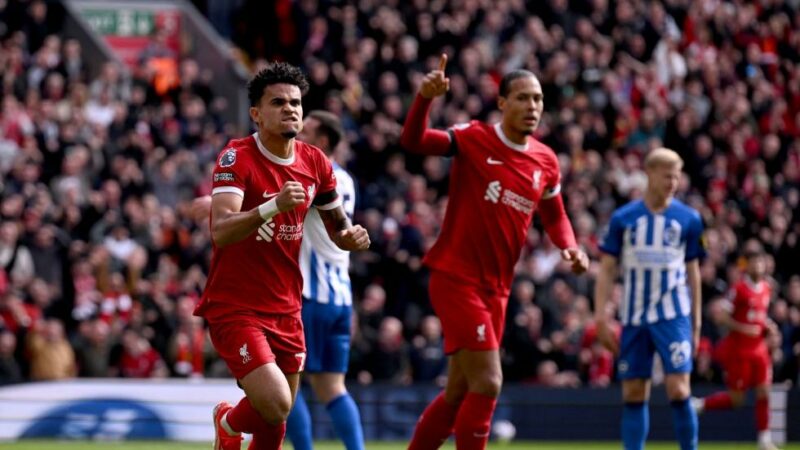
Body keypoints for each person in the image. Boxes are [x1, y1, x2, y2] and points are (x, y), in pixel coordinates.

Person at [399, 54, 589, 449]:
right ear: (502, 103)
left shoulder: (546, 161)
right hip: (455, 277)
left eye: (537, 99)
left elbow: (556, 218)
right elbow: (414, 140)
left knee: (458, 391)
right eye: (522, 98)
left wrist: (570, 248)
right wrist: (424, 99)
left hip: (497, 290)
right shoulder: (474, 138)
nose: (532, 107)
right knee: (488, 381)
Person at [193, 62, 370, 450]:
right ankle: (228, 419)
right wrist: (271, 207)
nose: (290, 109)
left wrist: (350, 238)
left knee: (276, 421)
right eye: (278, 102)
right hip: (236, 305)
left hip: (287, 307)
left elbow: (337, 226)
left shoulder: (316, 163)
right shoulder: (235, 157)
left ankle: (232, 426)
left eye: (295, 103)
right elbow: (220, 229)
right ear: (256, 114)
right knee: (275, 402)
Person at [594, 148, 704, 450]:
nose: (673, 182)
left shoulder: (689, 219)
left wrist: (695, 323)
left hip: (674, 315)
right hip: (634, 316)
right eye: (667, 175)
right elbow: (606, 271)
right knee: (633, 392)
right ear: (650, 174)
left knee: (679, 389)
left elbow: (693, 273)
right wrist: (601, 317)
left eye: (677, 176)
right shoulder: (624, 218)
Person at [285, 110, 365, 450]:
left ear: (323, 142)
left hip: (309, 298)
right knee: (333, 387)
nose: (298, 135)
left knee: (287, 386)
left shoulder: (314, 174)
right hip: (340, 299)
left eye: (307, 131)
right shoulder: (346, 180)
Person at [692, 241, 780, 450]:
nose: (758, 266)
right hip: (740, 351)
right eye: (754, 262)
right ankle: (700, 405)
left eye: (760, 261)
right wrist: (743, 328)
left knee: (764, 391)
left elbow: (759, 317)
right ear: (746, 266)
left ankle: (764, 439)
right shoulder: (738, 289)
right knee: (736, 399)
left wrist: (768, 325)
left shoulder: (767, 288)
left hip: (759, 350)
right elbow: (721, 317)